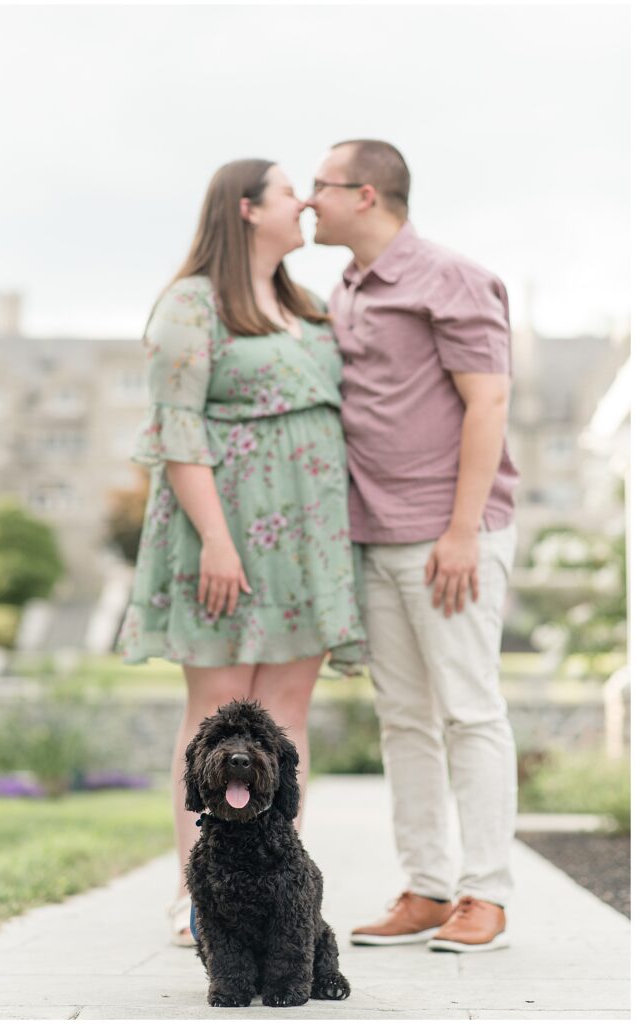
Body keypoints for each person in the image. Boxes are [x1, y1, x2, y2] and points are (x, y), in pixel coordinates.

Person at [117, 158, 365, 945]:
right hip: (222, 534)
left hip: (308, 544)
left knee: (286, 721)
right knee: (212, 721)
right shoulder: (191, 305)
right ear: (249, 209)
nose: (306, 205)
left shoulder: (309, 306)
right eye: (293, 192)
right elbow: (176, 433)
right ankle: (201, 898)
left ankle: (275, 892)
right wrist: (218, 543)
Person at [306, 139, 519, 953]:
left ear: (365, 195)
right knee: (403, 719)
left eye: (319, 186)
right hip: (374, 533)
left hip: (448, 534)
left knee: (469, 711)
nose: (308, 201)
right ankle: (427, 888)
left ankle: (486, 895)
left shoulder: (450, 277)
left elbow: (488, 400)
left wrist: (462, 531)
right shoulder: (347, 286)